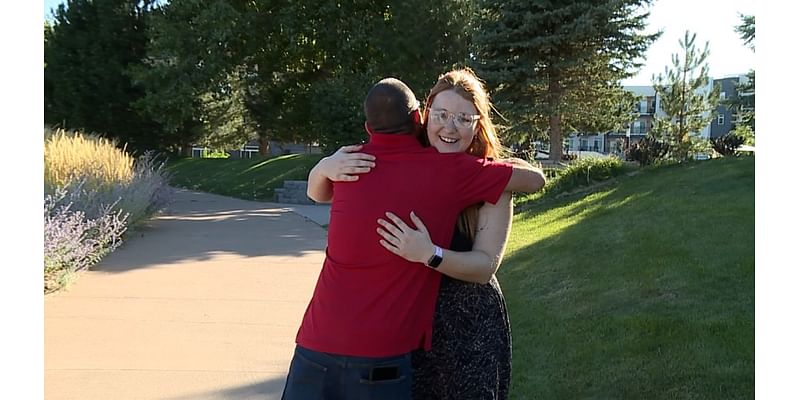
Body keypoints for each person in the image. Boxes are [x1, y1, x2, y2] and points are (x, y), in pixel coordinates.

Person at [282, 77, 543, 400]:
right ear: (423, 116)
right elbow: (318, 189)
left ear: (479, 125)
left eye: (464, 118)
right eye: (442, 115)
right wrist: (325, 165)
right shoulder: (374, 164)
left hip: (463, 329)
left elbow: (533, 183)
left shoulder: (476, 175)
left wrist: (429, 253)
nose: (450, 126)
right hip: (402, 341)